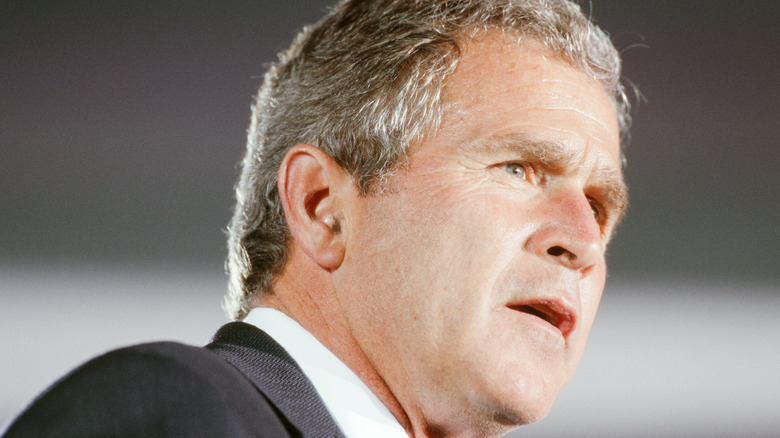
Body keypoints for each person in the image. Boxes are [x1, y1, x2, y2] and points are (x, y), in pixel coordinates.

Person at [4, 0, 630, 436]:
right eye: (519, 169)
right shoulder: (170, 413)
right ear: (322, 208)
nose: (582, 241)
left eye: (600, 207)